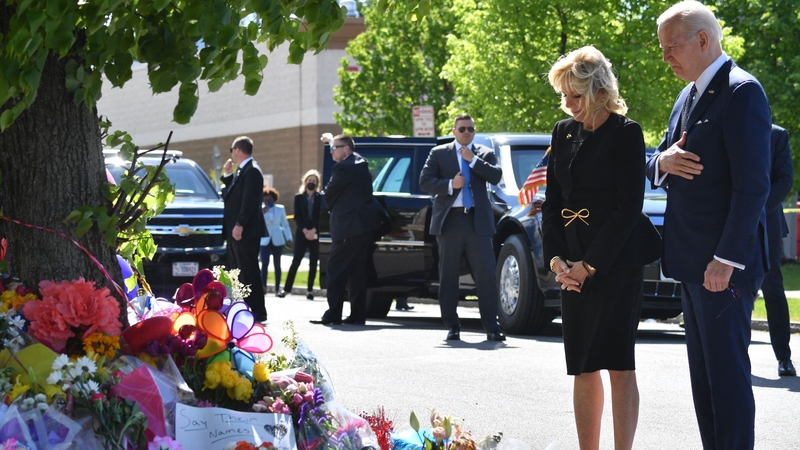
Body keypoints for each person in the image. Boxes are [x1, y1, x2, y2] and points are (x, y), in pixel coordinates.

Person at [646, 2, 772, 448]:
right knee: (705, 387)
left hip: (723, 268)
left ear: (703, 39)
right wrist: (662, 161)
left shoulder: (742, 92)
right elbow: (655, 158)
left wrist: (726, 259)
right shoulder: (688, 95)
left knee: (728, 384)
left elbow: (753, 187)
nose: (665, 57)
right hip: (691, 264)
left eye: (670, 46)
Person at [542, 46, 660, 450]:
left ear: (598, 89)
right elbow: (552, 203)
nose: (569, 104)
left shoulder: (627, 132)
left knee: (618, 363)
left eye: (576, 95)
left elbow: (629, 209)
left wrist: (589, 266)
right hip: (571, 265)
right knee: (582, 365)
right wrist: (558, 262)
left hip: (615, 263)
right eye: (564, 96)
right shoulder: (562, 132)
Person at [419, 114, 505, 342]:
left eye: (470, 128)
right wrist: (450, 185)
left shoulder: (484, 153)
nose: (466, 132)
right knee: (448, 276)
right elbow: (424, 181)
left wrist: (473, 160)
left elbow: (496, 176)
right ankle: (452, 325)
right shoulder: (439, 153)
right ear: (454, 131)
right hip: (451, 222)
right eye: (462, 128)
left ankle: (491, 326)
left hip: (478, 222)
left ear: (474, 132)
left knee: (486, 275)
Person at [310, 135, 381, 326]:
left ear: (346, 149)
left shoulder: (344, 167)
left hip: (347, 227)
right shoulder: (360, 164)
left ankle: (333, 315)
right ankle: (357, 316)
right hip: (363, 227)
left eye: (334, 148)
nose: (331, 151)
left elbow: (329, 193)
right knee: (357, 272)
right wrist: (332, 141)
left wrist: (331, 206)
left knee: (335, 270)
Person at [221, 136, 269, 322]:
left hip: (245, 231)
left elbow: (249, 202)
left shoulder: (252, 171)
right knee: (237, 271)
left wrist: (239, 224)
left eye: (232, 150)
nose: (231, 153)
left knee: (248, 271)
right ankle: (242, 308)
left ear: (238, 150)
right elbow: (234, 195)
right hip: (236, 230)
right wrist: (227, 176)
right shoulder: (243, 170)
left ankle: (257, 310)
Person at [762, 125, 796, 377]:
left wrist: (756, 210)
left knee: (772, 288)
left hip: (767, 221)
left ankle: (784, 357)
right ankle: (733, 357)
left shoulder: (777, 134)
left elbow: (784, 179)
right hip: (726, 223)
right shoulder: (726, 128)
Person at [279, 170, 322, 301]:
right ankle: (286, 289)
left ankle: (310, 290)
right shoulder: (299, 197)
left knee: (313, 263)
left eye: (314, 181)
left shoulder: (320, 198)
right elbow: (297, 216)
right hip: (302, 233)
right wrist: (305, 231)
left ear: (317, 183)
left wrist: (314, 230)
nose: (311, 183)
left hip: (315, 233)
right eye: (309, 181)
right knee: (296, 261)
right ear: (305, 182)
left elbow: (321, 215)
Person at [260, 187, 292, 296]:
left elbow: (285, 224)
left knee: (277, 264)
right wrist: (262, 212)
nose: (267, 200)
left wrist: (289, 238)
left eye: (270, 198)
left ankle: (277, 288)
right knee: (264, 264)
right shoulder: (261, 209)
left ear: (274, 198)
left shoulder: (280, 209)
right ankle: (263, 287)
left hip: (278, 239)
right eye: (265, 198)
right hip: (264, 240)